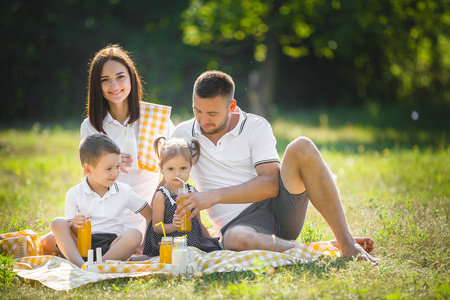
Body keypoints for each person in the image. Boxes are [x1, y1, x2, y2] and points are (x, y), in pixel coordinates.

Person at [172, 70, 378, 264]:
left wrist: (213, 196)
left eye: (212, 113)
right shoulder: (183, 133)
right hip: (238, 226)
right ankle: (315, 249)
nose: (203, 120)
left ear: (231, 107)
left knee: (302, 146)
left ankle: (346, 242)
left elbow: (271, 184)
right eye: (197, 110)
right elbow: (166, 185)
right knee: (235, 239)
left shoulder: (255, 126)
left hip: (280, 210)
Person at [40, 44, 173, 255]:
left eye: (120, 77)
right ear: (97, 85)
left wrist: (155, 214)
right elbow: (91, 178)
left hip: (140, 215)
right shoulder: (91, 125)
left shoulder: (154, 119)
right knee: (47, 243)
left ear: (131, 78)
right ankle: (92, 260)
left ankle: (96, 261)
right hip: (100, 218)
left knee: (129, 240)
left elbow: (175, 170)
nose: (114, 85)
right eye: (105, 80)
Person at [51, 134, 152, 268]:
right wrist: (74, 225)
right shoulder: (74, 194)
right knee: (57, 223)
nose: (115, 173)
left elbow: (149, 214)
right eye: (109, 169)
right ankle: (81, 265)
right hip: (80, 246)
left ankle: (99, 265)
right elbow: (71, 232)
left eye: (118, 167)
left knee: (134, 234)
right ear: (88, 169)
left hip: (110, 248)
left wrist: (147, 245)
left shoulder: (123, 191)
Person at [135, 136, 221, 260]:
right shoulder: (162, 195)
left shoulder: (192, 192)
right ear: (161, 168)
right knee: (172, 255)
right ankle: (148, 257)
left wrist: (211, 243)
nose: (177, 174)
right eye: (171, 169)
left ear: (190, 167)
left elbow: (198, 223)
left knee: (206, 251)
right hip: (168, 241)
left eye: (183, 168)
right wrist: (174, 226)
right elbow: (157, 227)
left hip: (191, 240)